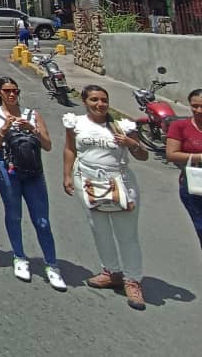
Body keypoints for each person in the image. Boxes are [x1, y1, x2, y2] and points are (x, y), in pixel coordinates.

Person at [63, 85, 149, 309]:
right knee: (98, 228)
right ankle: (111, 272)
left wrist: (132, 144)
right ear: (84, 101)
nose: (99, 104)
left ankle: (133, 280)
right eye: (94, 100)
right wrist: (67, 176)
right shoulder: (76, 123)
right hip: (88, 182)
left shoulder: (123, 125)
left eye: (103, 100)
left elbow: (143, 156)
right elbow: (70, 149)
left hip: (120, 182)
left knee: (126, 234)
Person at [0, 77, 65, 290]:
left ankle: (51, 264)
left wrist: (33, 129)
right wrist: (5, 128)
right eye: (7, 90)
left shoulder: (33, 114)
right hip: (6, 168)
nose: (12, 94)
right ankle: (19, 257)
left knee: (42, 220)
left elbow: (48, 145)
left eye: (15, 91)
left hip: (33, 169)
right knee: (14, 213)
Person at [165, 88, 202, 249]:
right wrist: (199, 157)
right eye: (195, 106)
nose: (199, 110)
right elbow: (172, 154)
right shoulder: (180, 126)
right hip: (194, 185)